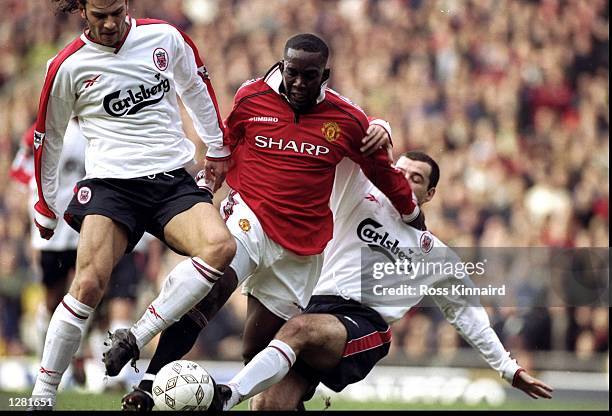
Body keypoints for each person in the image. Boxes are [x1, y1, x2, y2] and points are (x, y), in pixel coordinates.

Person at [114, 32, 424, 408]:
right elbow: (224, 143)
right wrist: (210, 178)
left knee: (257, 348)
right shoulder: (252, 96)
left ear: (325, 75)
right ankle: (147, 381)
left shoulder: (347, 119)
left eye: (309, 76)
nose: (297, 82)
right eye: (291, 71)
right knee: (211, 289)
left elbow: (384, 172)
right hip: (250, 218)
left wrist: (411, 211)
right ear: (281, 64)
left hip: (301, 251)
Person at [214, 151, 554, 410]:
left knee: (299, 330)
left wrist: (508, 369)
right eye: (399, 172)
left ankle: (224, 397)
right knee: (268, 406)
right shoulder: (357, 196)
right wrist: (380, 129)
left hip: (365, 326)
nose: (404, 180)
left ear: (430, 194)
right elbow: (341, 140)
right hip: (314, 307)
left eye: (416, 178)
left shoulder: (435, 253)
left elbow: (469, 318)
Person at [30, 0, 236, 408]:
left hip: (169, 180)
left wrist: (217, 146)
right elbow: (48, 139)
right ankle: (42, 396)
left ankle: (136, 337)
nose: (110, 23)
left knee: (221, 247)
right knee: (87, 283)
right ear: (82, 11)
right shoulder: (66, 66)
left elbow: (195, 85)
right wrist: (44, 203)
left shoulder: (165, 37)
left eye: (116, 12)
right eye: (99, 14)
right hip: (111, 187)